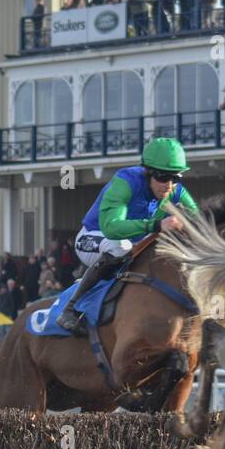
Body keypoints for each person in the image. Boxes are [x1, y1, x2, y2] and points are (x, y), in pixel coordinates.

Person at [56, 138, 198, 334]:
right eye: (163, 178)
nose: (169, 185)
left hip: (133, 246)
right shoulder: (126, 182)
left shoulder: (175, 191)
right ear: (148, 173)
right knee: (120, 246)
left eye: (176, 178)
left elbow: (200, 222)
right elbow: (111, 227)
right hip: (93, 238)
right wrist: (156, 225)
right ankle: (69, 309)